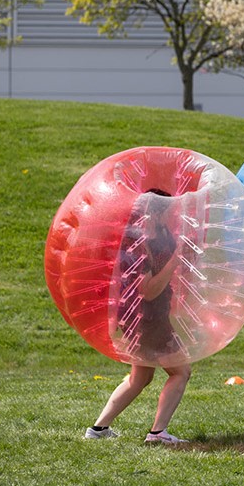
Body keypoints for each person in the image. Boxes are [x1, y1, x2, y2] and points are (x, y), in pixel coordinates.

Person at [84, 189, 192, 444]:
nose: (172, 215)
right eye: (167, 210)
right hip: (145, 318)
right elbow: (149, 290)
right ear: (154, 212)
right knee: (181, 372)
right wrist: (176, 260)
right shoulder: (137, 243)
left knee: (140, 378)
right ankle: (157, 433)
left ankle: (98, 430)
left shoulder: (163, 235)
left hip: (154, 316)